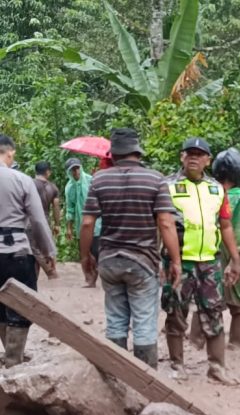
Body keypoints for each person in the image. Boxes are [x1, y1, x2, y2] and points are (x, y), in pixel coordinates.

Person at [79, 128, 181, 368]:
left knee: (115, 321)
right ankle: (145, 381)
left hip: (109, 261)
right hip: (142, 262)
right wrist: (175, 261)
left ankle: (116, 377)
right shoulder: (155, 179)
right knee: (144, 322)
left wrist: (85, 257)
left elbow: (87, 223)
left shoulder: (99, 180)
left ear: (112, 154)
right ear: (137, 151)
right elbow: (166, 223)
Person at [161, 137, 240, 384]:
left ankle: (216, 367)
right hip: (179, 261)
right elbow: (161, 224)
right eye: (189, 153)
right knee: (176, 311)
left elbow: (225, 225)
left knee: (214, 312)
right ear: (181, 157)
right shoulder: (167, 186)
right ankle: (177, 365)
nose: (194, 157)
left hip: (209, 262)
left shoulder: (217, 189)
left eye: (199, 154)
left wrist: (235, 259)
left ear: (208, 160)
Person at [0, 134, 56, 367]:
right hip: (15, 251)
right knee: (19, 306)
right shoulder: (21, 180)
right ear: (10, 152)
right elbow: (38, 221)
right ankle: (13, 361)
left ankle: (11, 358)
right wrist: (48, 252)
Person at [211, 148, 240, 350]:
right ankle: (234, 344)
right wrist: (238, 259)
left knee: (209, 302)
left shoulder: (211, 192)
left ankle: (198, 340)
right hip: (233, 255)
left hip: (210, 254)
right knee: (237, 306)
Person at [65, 157, 101, 287]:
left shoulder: (91, 181)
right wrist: (68, 228)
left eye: (77, 168)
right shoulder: (69, 187)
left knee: (96, 251)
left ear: (81, 167)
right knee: (85, 253)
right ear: (69, 172)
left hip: (96, 224)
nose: (76, 172)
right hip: (81, 225)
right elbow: (70, 208)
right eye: (72, 170)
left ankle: (97, 274)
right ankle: (90, 279)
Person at [29, 161, 60, 279]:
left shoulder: (29, 184)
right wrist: (57, 225)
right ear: (48, 172)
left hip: (30, 220)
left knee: (33, 247)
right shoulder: (53, 187)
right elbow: (56, 207)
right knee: (47, 245)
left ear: (35, 171)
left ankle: (49, 272)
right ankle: (52, 270)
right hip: (46, 219)